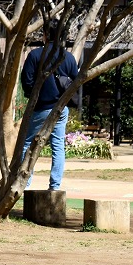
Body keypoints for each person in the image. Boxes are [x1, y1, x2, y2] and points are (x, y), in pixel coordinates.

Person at [19, 22, 81, 191]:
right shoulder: (68, 57)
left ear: (45, 35)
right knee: (58, 146)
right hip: (61, 108)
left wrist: (34, 96)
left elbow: (26, 81)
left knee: (27, 144)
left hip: (41, 106)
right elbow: (76, 82)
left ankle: (24, 183)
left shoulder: (35, 55)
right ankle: (55, 186)